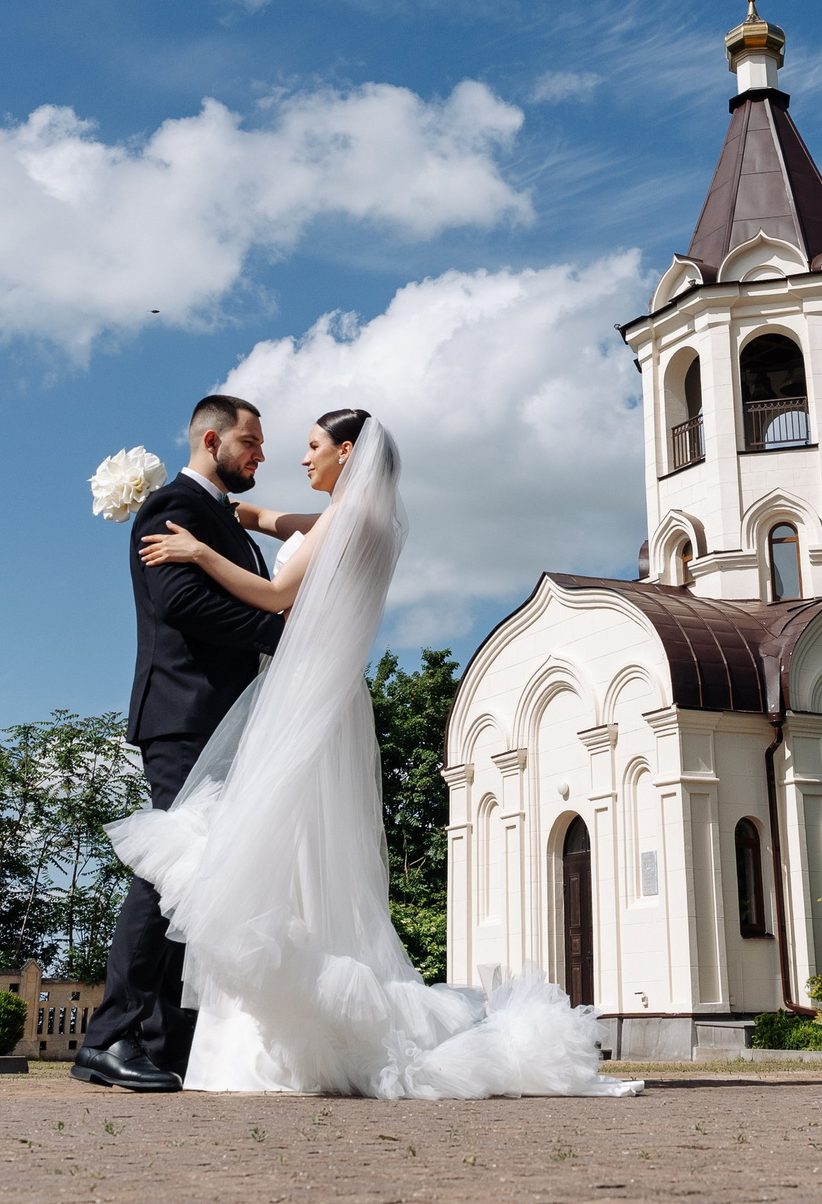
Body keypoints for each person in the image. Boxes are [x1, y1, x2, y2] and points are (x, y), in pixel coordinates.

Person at [104, 407, 638, 1098]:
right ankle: (185, 1034)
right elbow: (276, 522)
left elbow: (275, 596)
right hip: (316, 700)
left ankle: (210, 1034)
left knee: (242, 859)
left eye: (311, 446)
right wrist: (224, 510)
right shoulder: (360, 520)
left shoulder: (347, 519)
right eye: (261, 442)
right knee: (276, 864)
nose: (296, 457)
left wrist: (201, 550)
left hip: (301, 703)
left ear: (346, 453)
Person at [72, 394, 285, 1094]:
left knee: (198, 872)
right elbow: (180, 603)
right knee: (168, 867)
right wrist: (282, 637)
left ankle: (164, 1042)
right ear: (211, 438)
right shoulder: (175, 507)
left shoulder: (217, 517)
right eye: (250, 442)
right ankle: (110, 1038)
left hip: (219, 717)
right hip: (184, 712)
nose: (260, 454)